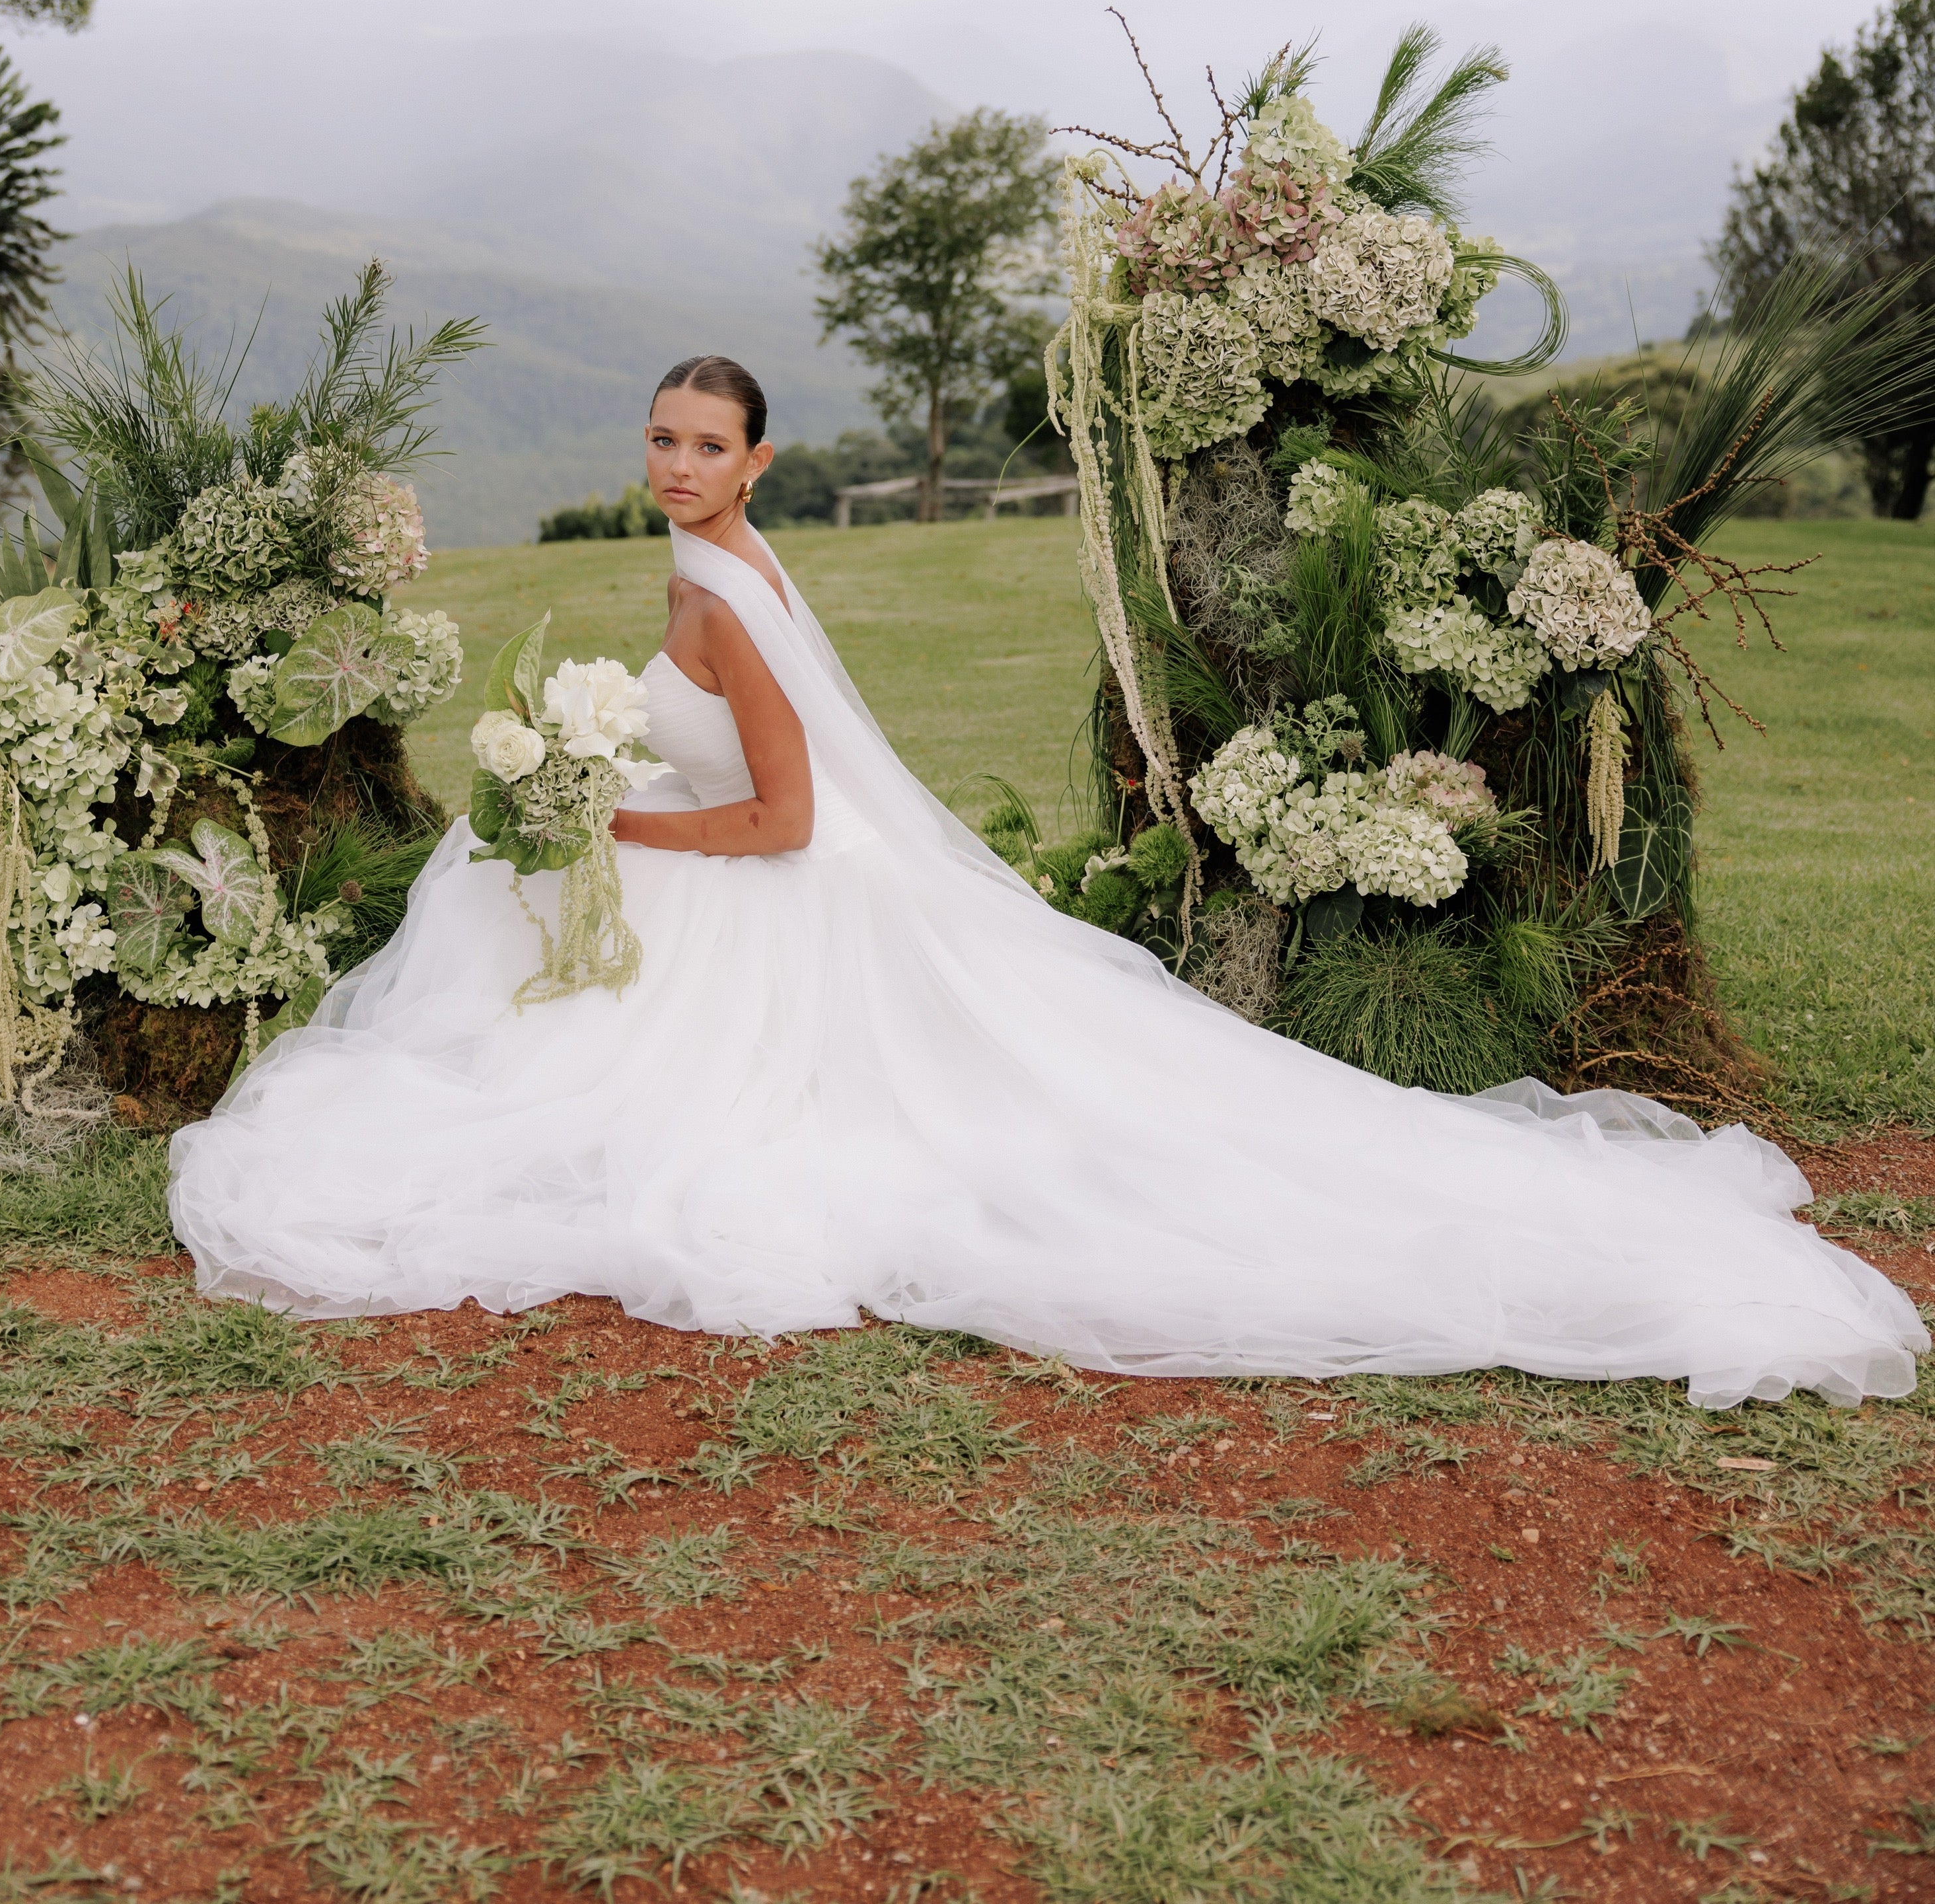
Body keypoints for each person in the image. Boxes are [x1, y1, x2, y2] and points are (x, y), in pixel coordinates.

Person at [169, 355, 1925, 1407]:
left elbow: (780, 823)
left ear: (757, 463)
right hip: (765, 870)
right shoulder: (713, 567)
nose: (678, 466)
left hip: (798, 904)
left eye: (707, 447)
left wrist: (609, 820)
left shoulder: (730, 594)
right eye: (661, 440)